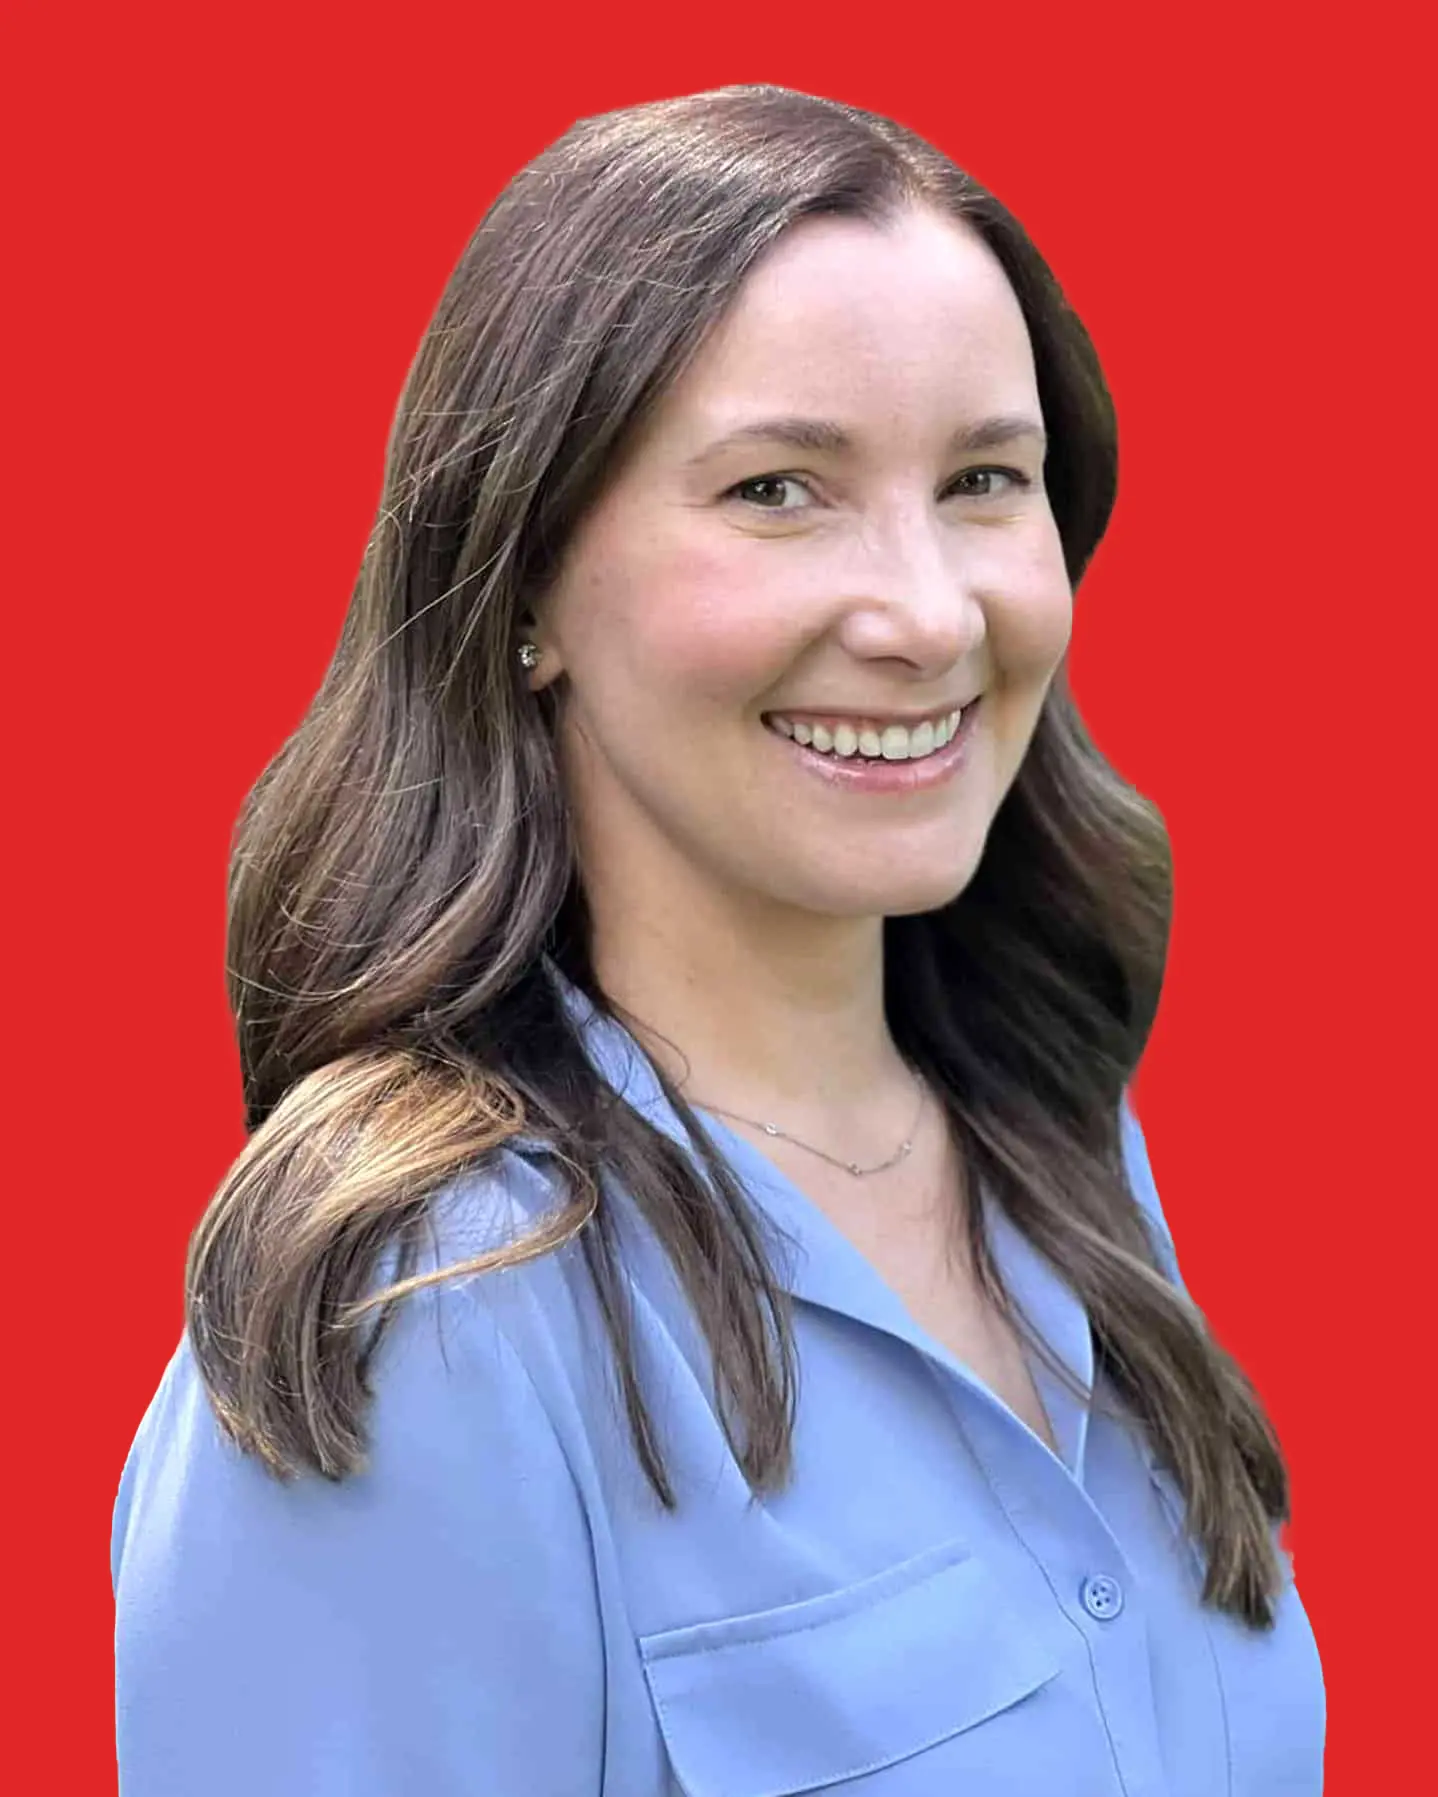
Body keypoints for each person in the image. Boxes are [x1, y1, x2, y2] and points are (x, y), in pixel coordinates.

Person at [111, 83, 1326, 1795]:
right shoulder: (432, 1310)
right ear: (524, 586)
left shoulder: (1065, 1155)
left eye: (984, 478)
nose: (922, 613)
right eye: (776, 491)